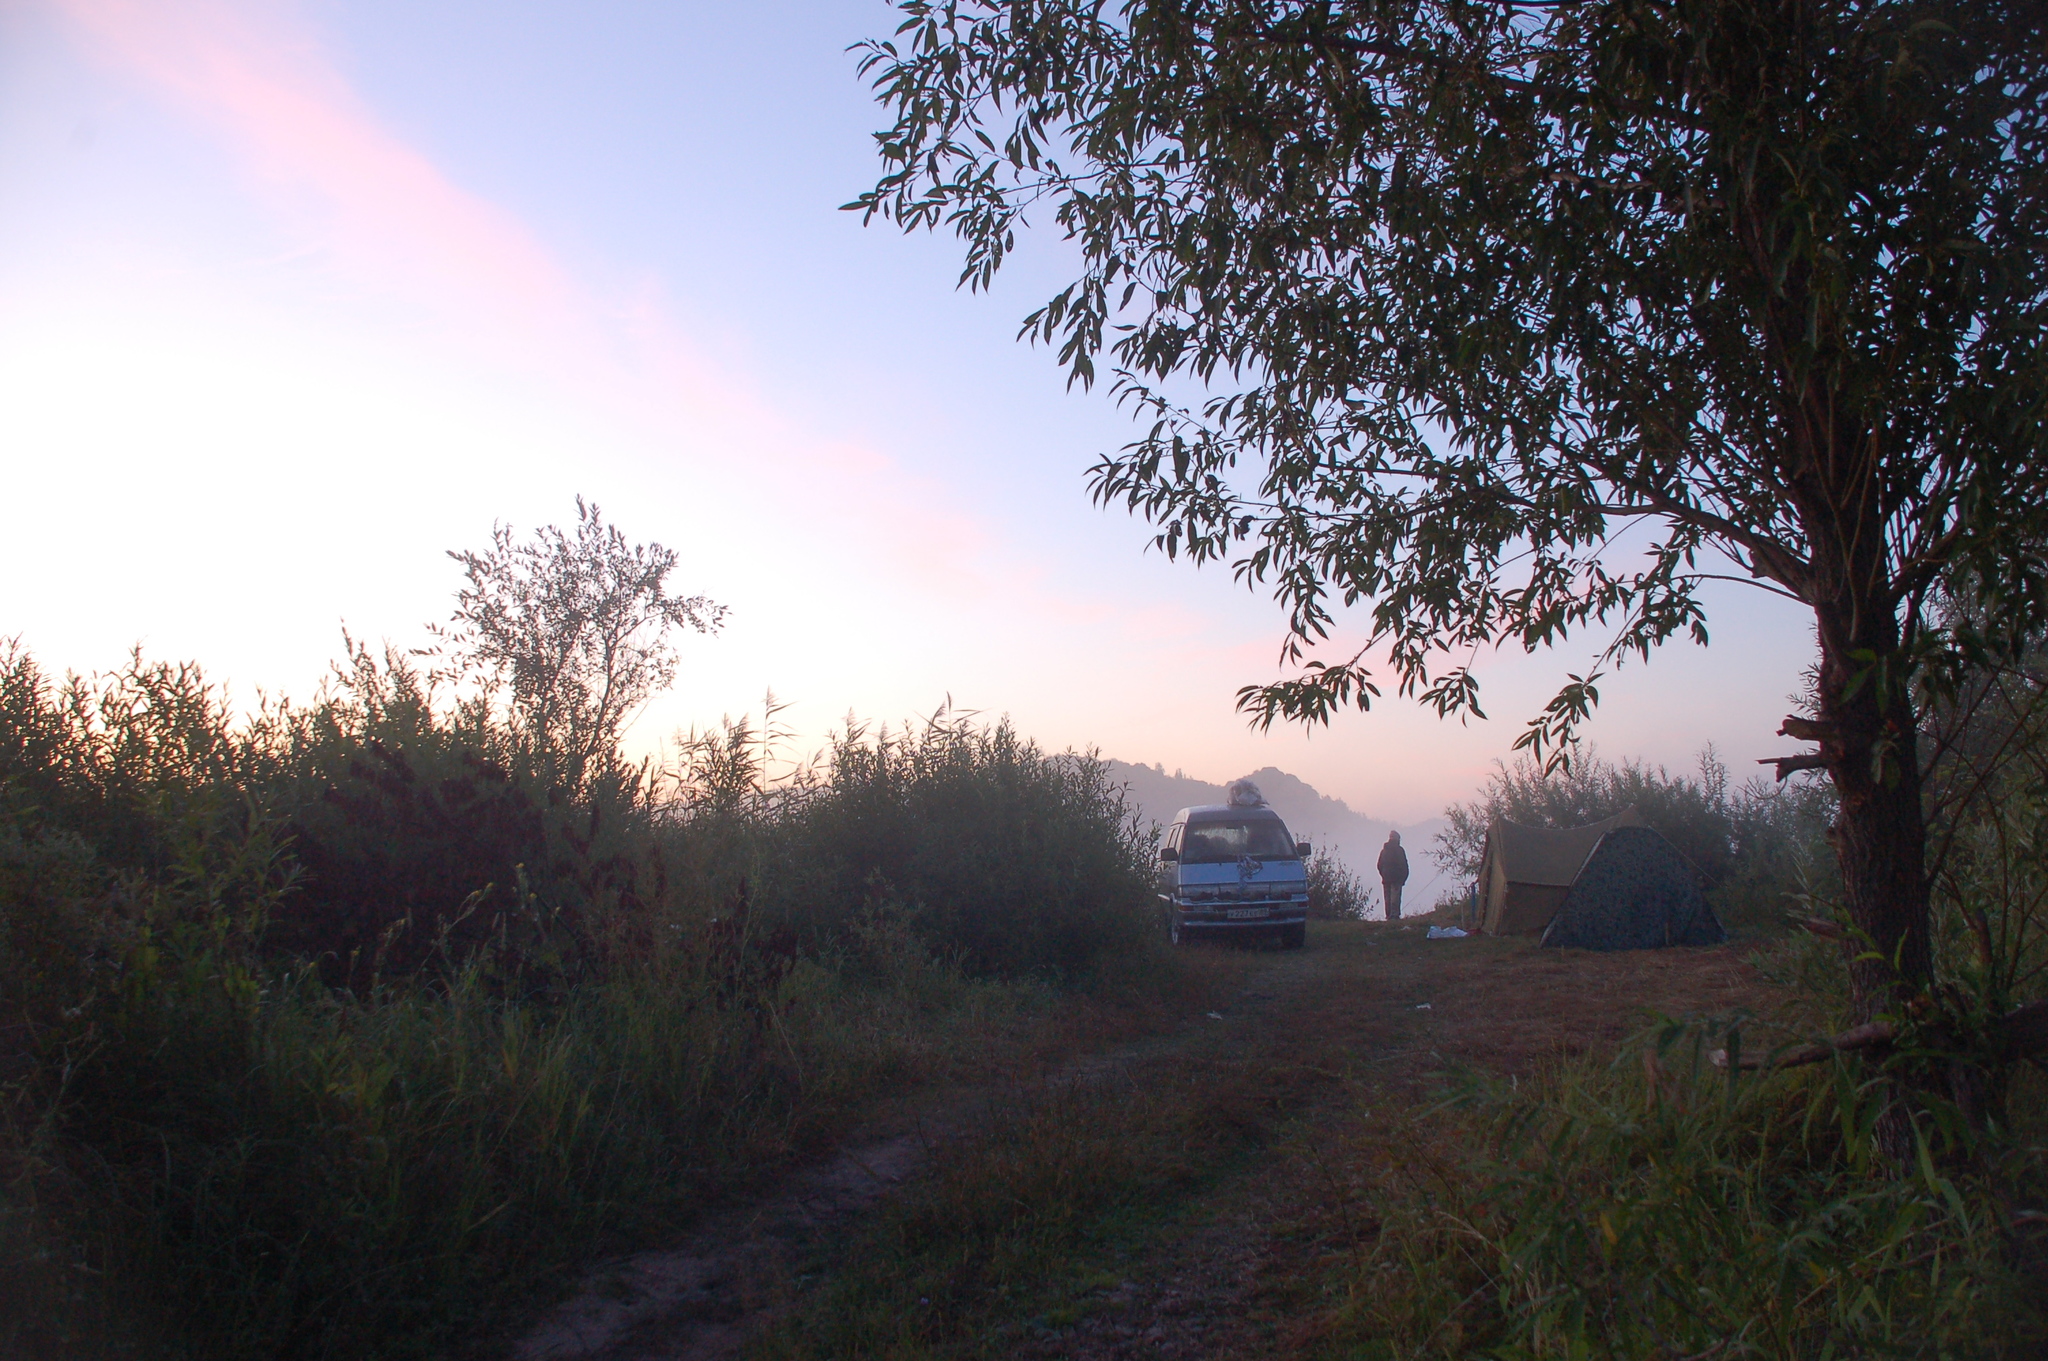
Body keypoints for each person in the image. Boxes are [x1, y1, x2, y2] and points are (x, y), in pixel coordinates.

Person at [1377, 830, 1410, 921]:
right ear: (1397, 839)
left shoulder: (1384, 851)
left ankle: (1388, 916)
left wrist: (1383, 875)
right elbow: (1404, 865)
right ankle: (1394, 916)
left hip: (1386, 879)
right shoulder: (1400, 850)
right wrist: (1403, 878)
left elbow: (1379, 865)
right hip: (1396, 879)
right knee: (1395, 898)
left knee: (1387, 899)